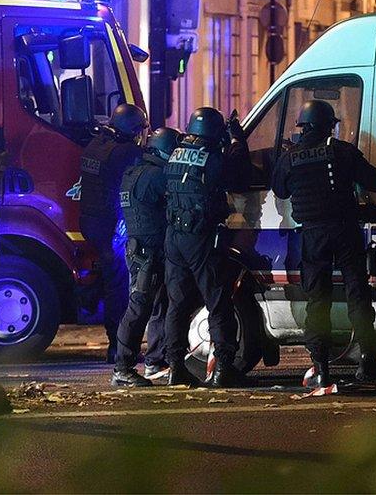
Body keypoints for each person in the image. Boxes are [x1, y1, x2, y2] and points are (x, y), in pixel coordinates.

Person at [271, 100, 376, 390]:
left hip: (313, 235)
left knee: (318, 301)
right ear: (328, 125)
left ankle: (321, 368)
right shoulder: (342, 151)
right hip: (345, 230)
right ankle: (368, 362)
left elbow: (280, 189)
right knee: (357, 294)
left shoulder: (291, 158)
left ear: (304, 126)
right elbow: (375, 182)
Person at [163, 107, 251, 387]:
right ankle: (224, 368)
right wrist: (237, 140)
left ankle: (175, 367)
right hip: (201, 237)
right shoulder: (211, 157)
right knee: (218, 301)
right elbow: (239, 175)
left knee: (176, 304)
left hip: (174, 237)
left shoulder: (176, 154)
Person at [110, 127, 182, 387]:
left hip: (144, 249)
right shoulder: (155, 175)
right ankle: (123, 368)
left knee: (158, 305)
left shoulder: (135, 172)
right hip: (147, 253)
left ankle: (154, 361)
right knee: (138, 309)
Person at [80, 103, 148, 363]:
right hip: (113, 228)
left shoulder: (96, 145)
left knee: (109, 280)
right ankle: (117, 346)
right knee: (119, 286)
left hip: (91, 223)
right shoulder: (126, 152)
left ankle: (87, 298)